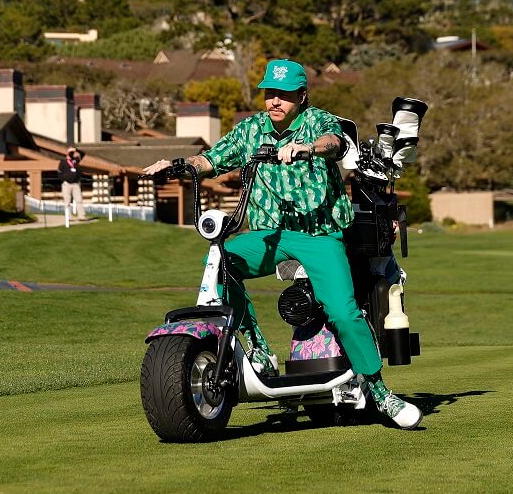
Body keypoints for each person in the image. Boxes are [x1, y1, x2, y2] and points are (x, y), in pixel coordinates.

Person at [142, 59, 422, 429]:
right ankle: (256, 348)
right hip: (268, 235)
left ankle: (380, 391)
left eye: (284, 95)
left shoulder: (316, 121)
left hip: (318, 235)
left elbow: (334, 142)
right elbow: (212, 158)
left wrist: (308, 148)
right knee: (222, 262)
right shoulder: (252, 129)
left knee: (342, 311)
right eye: (269, 93)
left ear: (301, 96)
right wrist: (179, 164)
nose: (274, 101)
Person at [58, 146, 86, 220]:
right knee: (67, 201)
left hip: (75, 184)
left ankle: (81, 216)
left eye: (72, 153)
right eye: (70, 153)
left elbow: (83, 154)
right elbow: (60, 172)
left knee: (79, 200)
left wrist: (75, 149)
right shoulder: (63, 161)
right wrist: (64, 179)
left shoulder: (76, 160)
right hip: (66, 184)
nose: (71, 154)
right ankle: (69, 216)